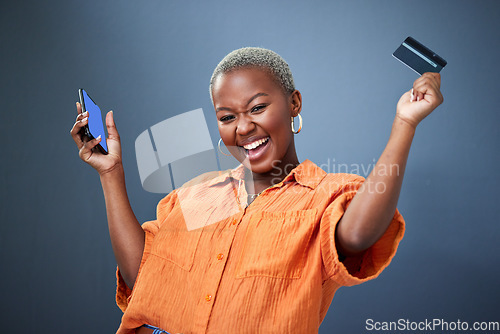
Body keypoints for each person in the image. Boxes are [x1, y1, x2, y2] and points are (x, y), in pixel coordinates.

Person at [70, 47, 443, 334]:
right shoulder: (198, 195)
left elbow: (360, 234)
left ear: (293, 103)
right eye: (227, 117)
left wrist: (404, 123)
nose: (243, 128)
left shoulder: (324, 195)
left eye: (258, 107)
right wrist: (111, 174)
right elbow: (143, 276)